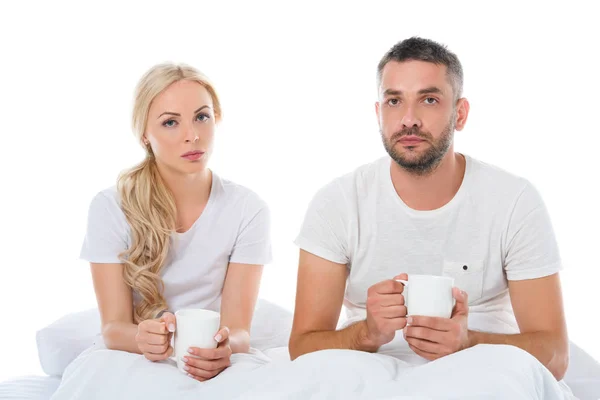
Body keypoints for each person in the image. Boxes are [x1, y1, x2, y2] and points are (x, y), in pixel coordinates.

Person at [289, 37, 569, 382]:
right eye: (394, 101)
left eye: (429, 99)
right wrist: (367, 333)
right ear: (379, 113)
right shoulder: (337, 203)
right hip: (365, 371)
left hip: (487, 373)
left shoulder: (513, 200)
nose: (409, 119)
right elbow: (302, 347)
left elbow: (554, 353)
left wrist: (468, 342)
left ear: (460, 114)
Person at [80, 63, 271, 382]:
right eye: (170, 122)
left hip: (207, 351)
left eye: (202, 116)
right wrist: (142, 338)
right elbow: (114, 329)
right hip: (138, 352)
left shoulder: (247, 209)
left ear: (216, 118)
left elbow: (238, 331)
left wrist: (225, 349)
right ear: (144, 134)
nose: (192, 136)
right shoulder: (110, 207)